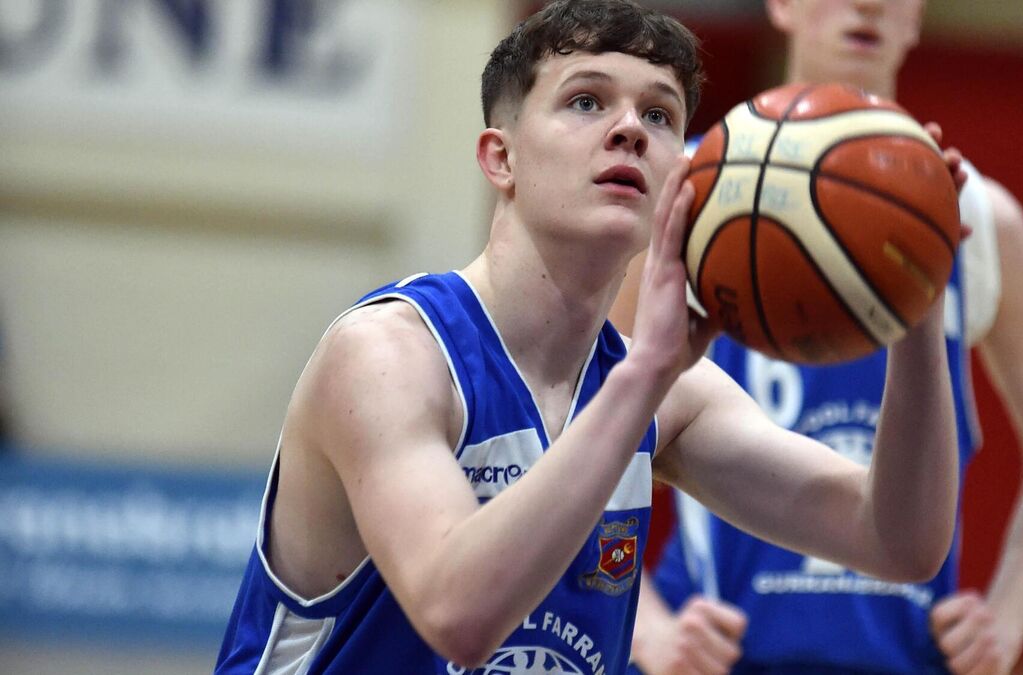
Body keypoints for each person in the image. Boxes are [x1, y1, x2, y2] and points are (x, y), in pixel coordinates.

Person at [214, 1, 966, 673]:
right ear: (500, 157)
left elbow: (898, 542)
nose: (630, 129)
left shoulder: (667, 394)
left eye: (661, 115)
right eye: (586, 101)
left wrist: (915, 299)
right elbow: (458, 614)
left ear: (683, 177)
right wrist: (646, 376)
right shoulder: (390, 355)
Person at [620, 1, 1023, 674]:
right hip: (717, 655)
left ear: (917, 16)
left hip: (903, 654)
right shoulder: (689, 190)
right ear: (782, 5)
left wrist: (1008, 618)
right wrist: (645, 623)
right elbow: (585, 427)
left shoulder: (977, 219)